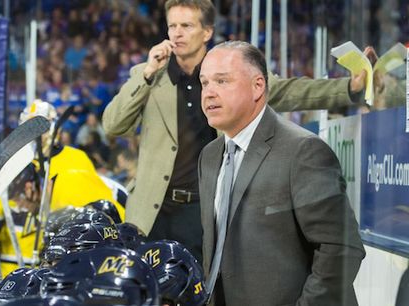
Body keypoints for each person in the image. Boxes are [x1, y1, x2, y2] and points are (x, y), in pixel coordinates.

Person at [102, 0, 367, 262]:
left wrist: (348, 89)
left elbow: (291, 91)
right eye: (172, 26)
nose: (177, 33)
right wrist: (147, 73)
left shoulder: (231, 71)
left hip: (206, 211)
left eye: (186, 25)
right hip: (152, 213)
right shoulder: (148, 74)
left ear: (207, 32)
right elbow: (113, 125)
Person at [197, 41, 365, 305]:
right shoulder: (208, 156)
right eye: (204, 83)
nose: (209, 93)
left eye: (222, 81)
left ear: (258, 86)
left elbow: (341, 248)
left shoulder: (303, 151)